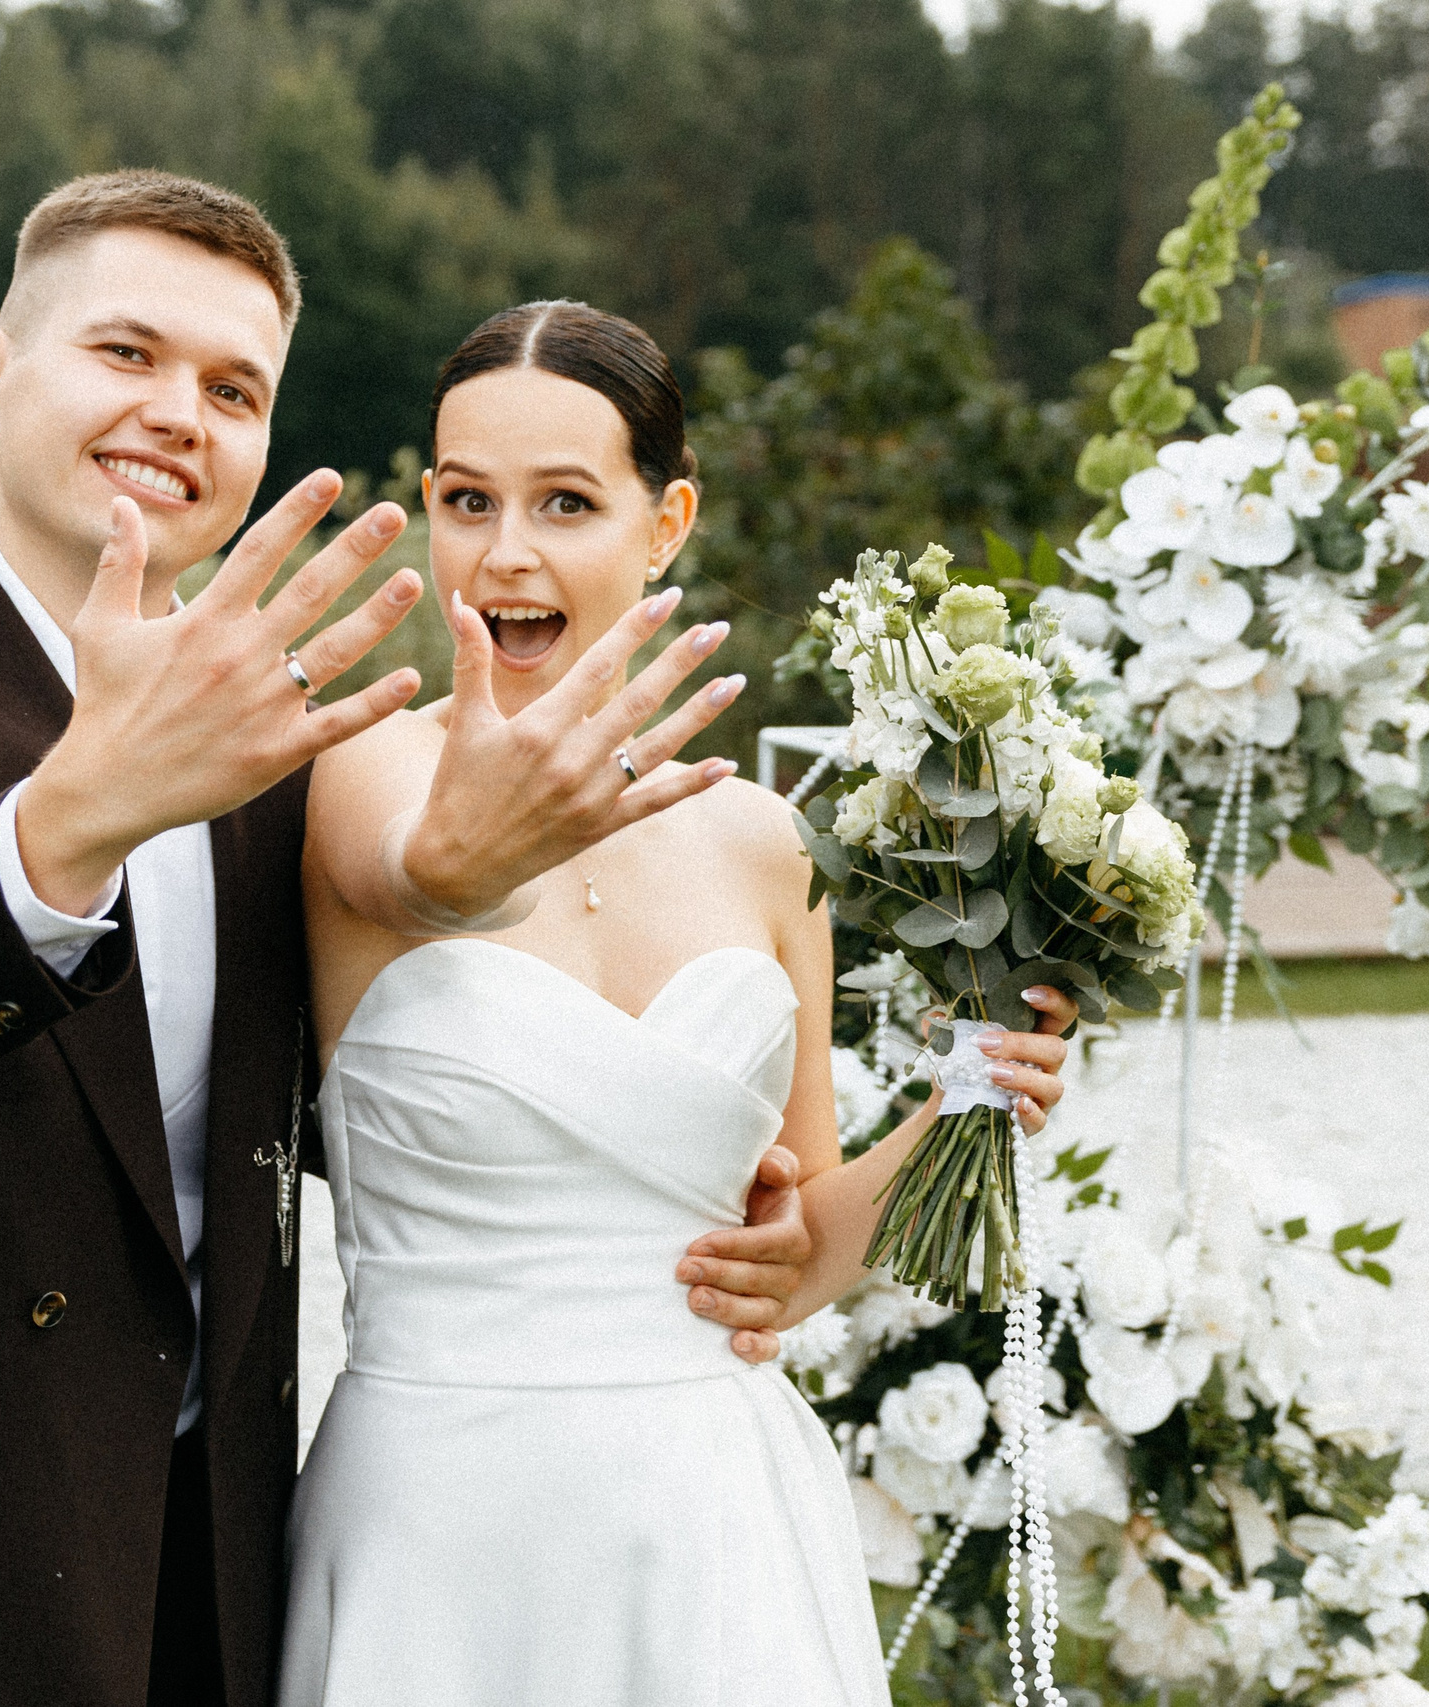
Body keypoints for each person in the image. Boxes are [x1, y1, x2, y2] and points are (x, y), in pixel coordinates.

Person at [0, 173, 817, 1706]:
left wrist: (664, 1145)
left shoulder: (278, 760)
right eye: (128, 354)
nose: (180, 410)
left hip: (195, 1589)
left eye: (232, 387)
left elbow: (364, 1096)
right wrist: (75, 816)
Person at [278, 301, 1074, 1704]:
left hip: (718, 1514)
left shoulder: (767, 843)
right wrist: (479, 847)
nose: (504, 550)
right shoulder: (367, 781)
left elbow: (796, 1244)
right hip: (442, 1523)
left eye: (566, 501)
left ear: (666, 521)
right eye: (466, 500)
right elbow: (425, 877)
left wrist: (983, 1084)